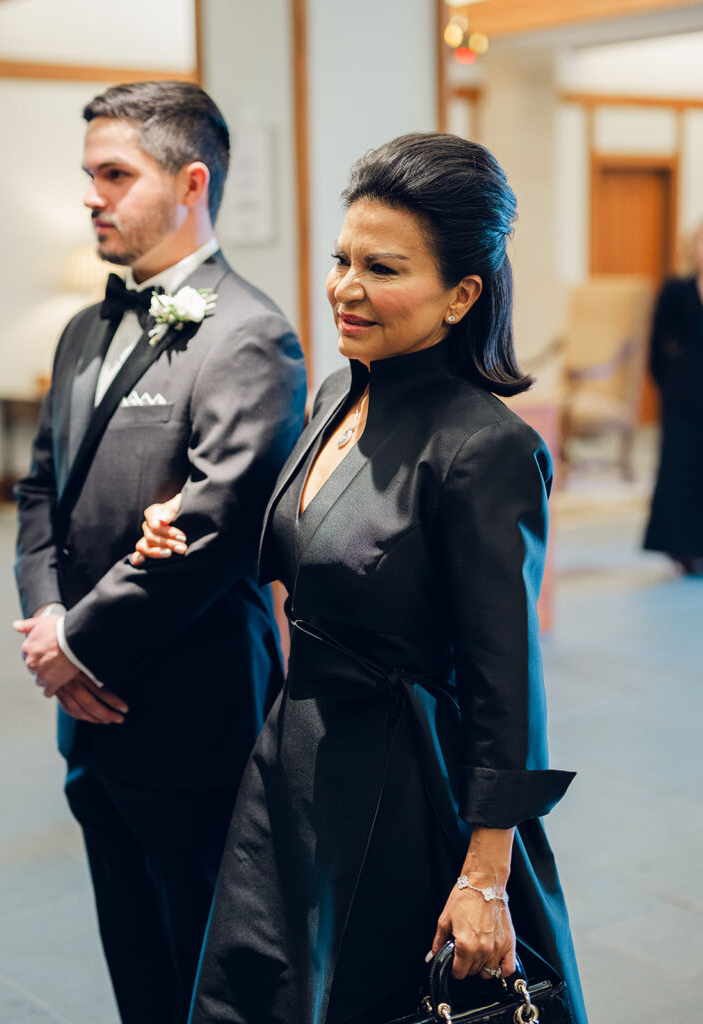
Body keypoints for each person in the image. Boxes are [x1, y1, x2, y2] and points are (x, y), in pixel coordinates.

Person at [134, 133, 587, 1024]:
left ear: (463, 295)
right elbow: (312, 541)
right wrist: (184, 518)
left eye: (383, 269)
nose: (346, 287)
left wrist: (487, 872)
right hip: (292, 758)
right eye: (343, 260)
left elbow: (506, 678)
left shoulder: (487, 448)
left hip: (401, 786)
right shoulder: (340, 390)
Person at [12, 80, 307, 1024]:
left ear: (190, 184)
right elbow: (39, 494)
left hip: (192, 715)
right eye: (88, 175)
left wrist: (79, 647)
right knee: (133, 960)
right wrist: (50, 626)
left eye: (114, 175)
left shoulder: (248, 333)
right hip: (88, 724)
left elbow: (215, 532)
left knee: (211, 973)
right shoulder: (80, 330)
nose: (92, 195)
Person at [643, 221, 703, 575]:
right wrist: (668, 384)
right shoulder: (676, 290)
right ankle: (680, 548)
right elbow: (657, 346)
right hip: (683, 398)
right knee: (679, 472)